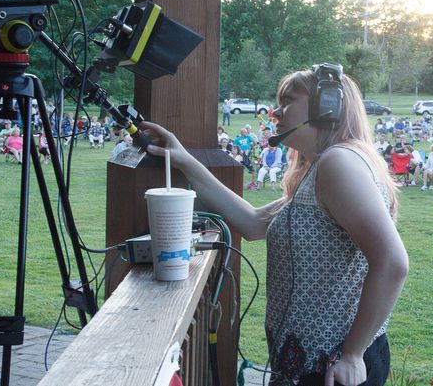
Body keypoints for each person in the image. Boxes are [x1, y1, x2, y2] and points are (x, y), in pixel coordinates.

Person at [140, 66, 408, 386]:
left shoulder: (339, 164)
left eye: (287, 101)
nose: (276, 111)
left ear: (327, 106)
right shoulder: (323, 168)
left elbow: (393, 263)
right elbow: (253, 223)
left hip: (333, 368)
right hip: (312, 365)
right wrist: (183, 159)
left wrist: (352, 354)